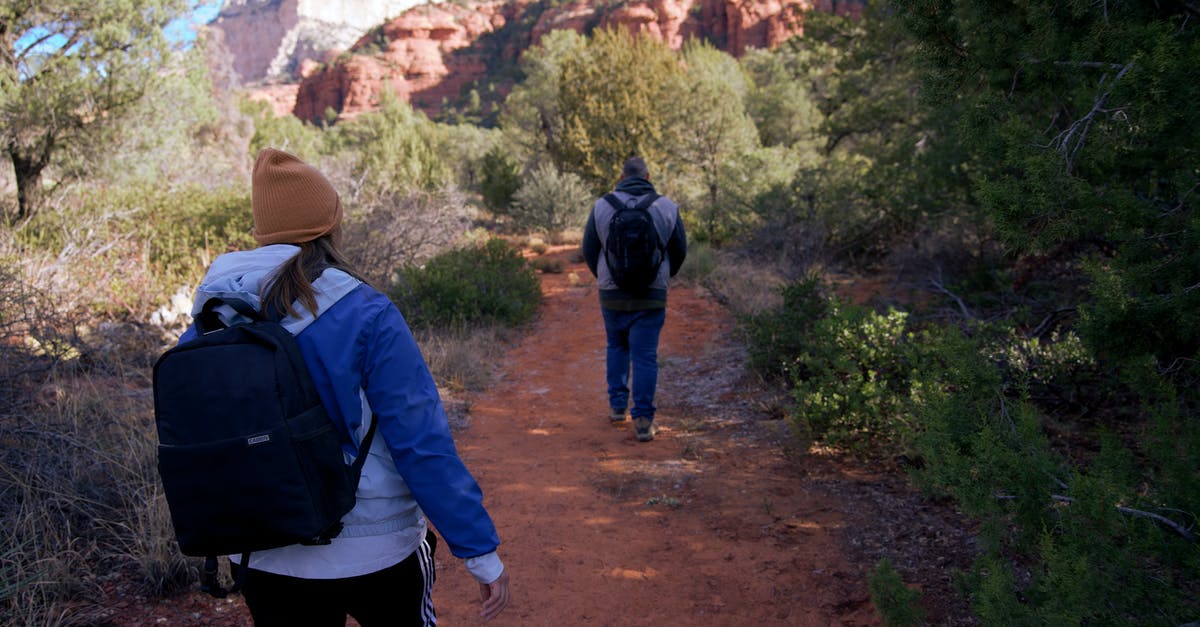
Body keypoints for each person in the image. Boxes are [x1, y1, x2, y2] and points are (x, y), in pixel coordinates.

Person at [175, 148, 511, 625]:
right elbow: (421, 442)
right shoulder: (366, 312)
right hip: (376, 547)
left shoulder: (211, 315)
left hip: (263, 549)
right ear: (330, 225)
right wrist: (479, 553)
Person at [581, 156, 687, 442]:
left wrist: (606, 278)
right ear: (648, 176)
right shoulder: (665, 206)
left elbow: (589, 249)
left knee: (616, 345)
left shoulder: (602, 205)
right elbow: (679, 250)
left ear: (622, 175)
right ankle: (643, 421)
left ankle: (617, 407)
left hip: (611, 294)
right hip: (651, 295)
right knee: (645, 355)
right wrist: (662, 278)